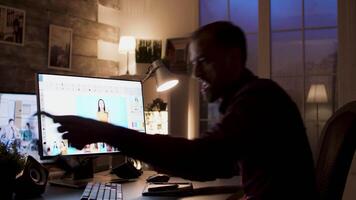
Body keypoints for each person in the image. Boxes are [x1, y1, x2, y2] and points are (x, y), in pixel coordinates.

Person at [40, 21, 318, 199]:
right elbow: (217, 164)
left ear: (233, 59)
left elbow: (204, 159)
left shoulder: (258, 100)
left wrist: (104, 131)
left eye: (204, 61)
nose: (195, 72)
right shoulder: (255, 97)